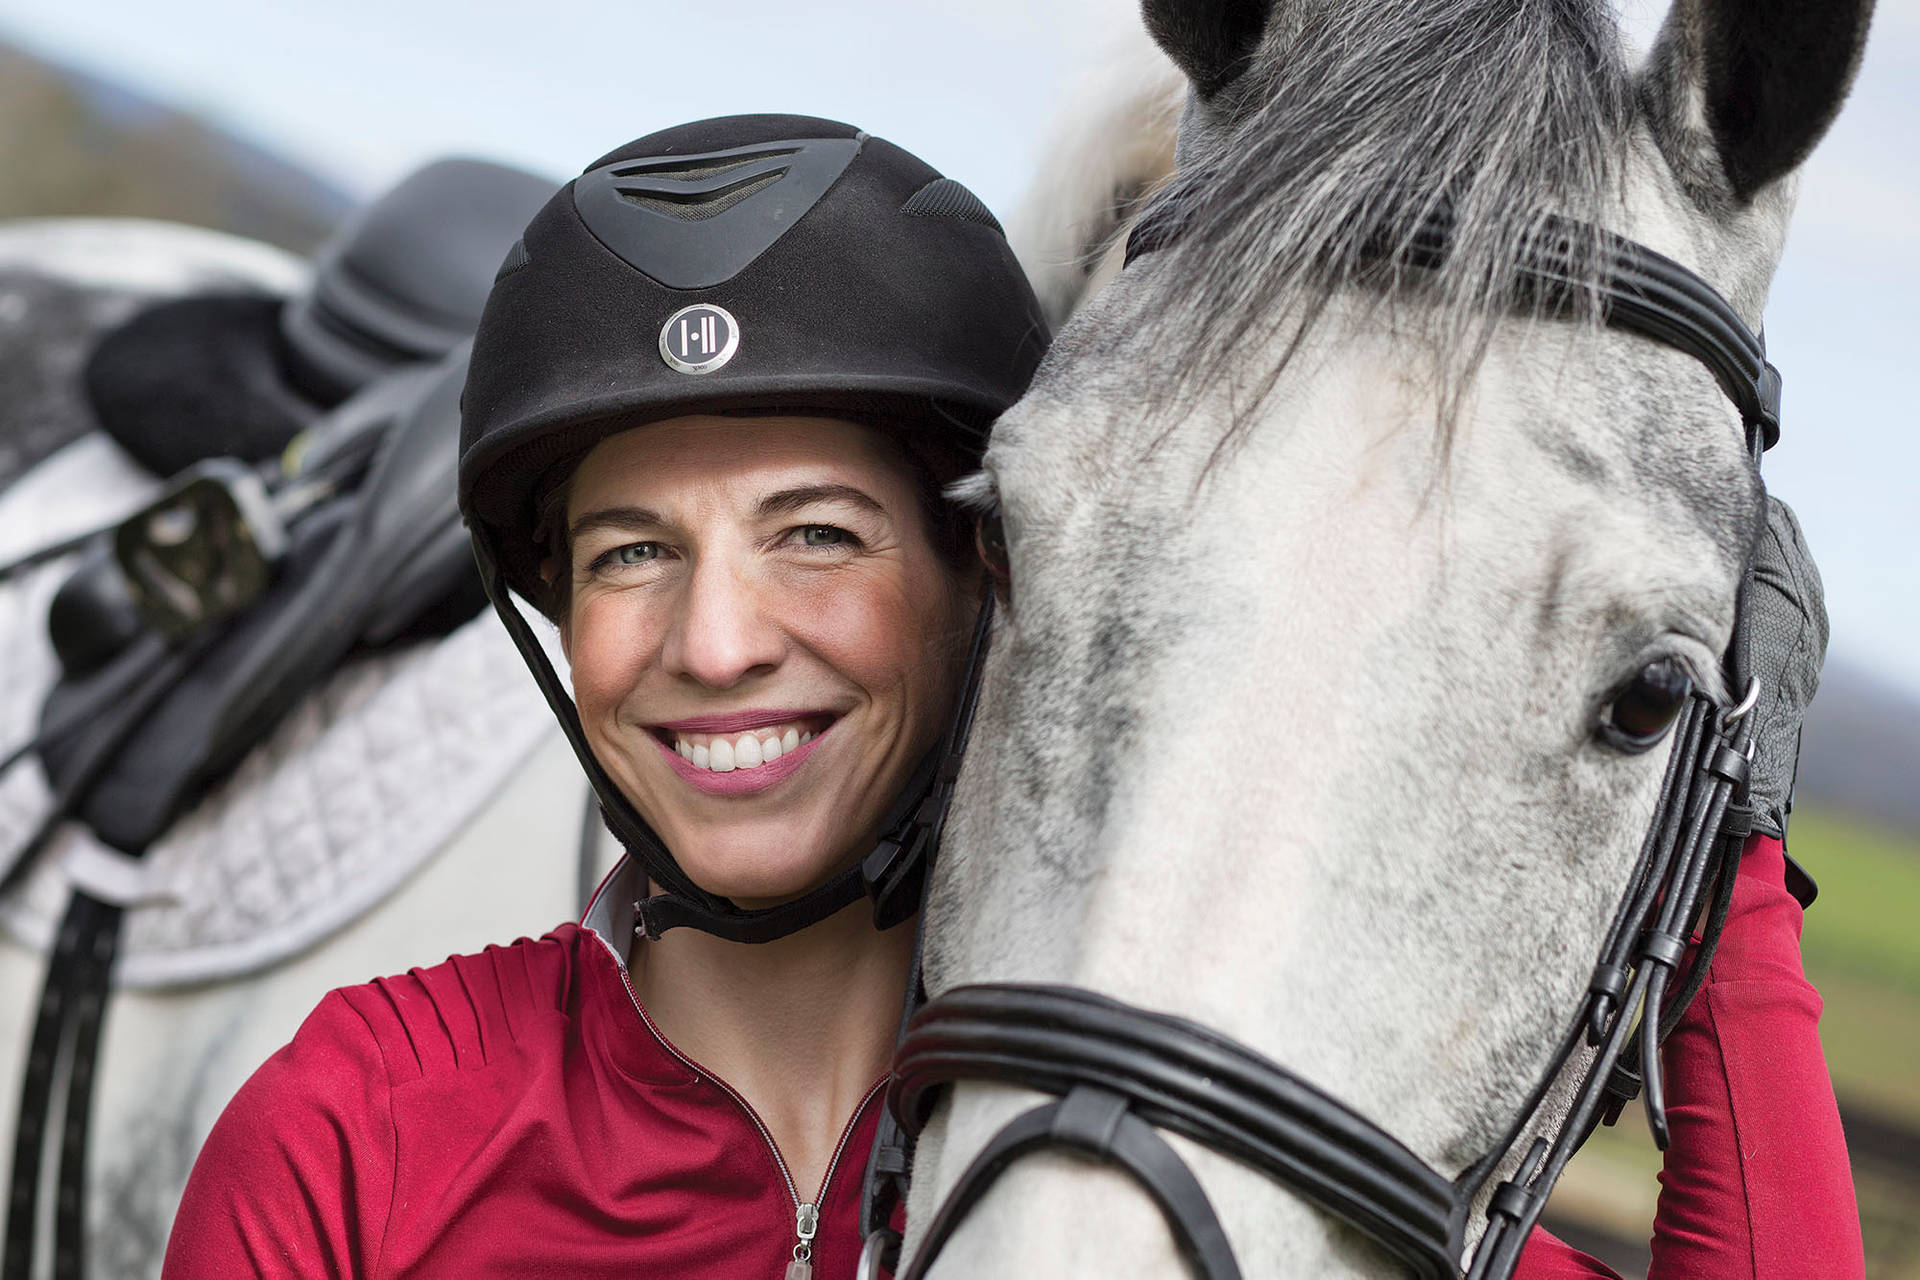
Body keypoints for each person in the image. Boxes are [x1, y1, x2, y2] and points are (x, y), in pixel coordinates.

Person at [162, 115, 1859, 1278]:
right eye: (626, 555)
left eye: (814, 534)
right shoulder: (358, 1129)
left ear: (995, 585)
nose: (718, 638)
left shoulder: (1188, 1173)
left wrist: (1727, 791)